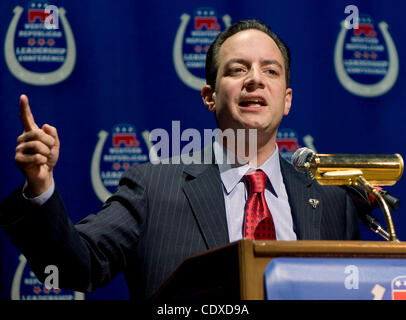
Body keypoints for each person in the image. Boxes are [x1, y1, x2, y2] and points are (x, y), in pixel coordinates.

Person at [0, 19, 360, 300]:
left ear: (287, 100)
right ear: (209, 96)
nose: (255, 79)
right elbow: (75, 268)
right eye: (237, 70)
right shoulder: (153, 187)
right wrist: (41, 187)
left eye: (271, 70)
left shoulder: (331, 199)